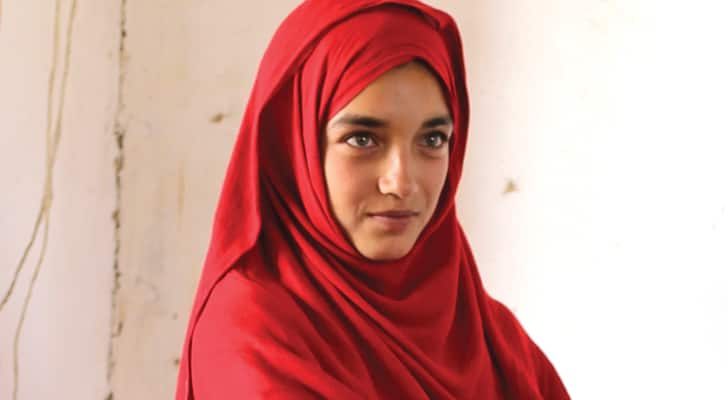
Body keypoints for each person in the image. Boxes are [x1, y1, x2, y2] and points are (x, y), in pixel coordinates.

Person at [174, 1, 570, 399]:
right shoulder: (254, 332)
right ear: (293, 148)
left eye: (432, 140)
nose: (400, 182)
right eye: (362, 139)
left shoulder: (488, 336)